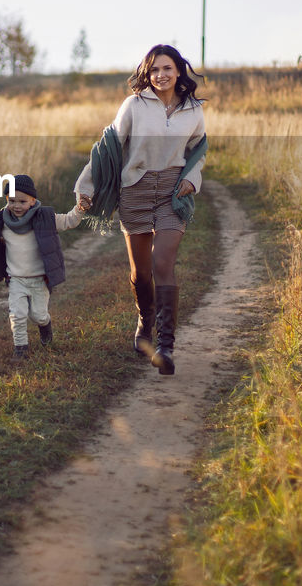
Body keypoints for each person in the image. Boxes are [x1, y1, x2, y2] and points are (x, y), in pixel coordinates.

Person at [75, 44, 207, 375]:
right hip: (135, 190)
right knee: (141, 272)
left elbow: (199, 148)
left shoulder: (193, 110)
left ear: (179, 71)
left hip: (171, 193)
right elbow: (108, 147)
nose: (160, 75)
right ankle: (145, 319)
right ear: (147, 74)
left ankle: (165, 345)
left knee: (163, 262)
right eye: (154, 70)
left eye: (167, 68)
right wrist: (86, 188)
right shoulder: (133, 105)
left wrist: (193, 177)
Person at [0, 174, 86, 359]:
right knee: (17, 315)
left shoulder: (45, 218)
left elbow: (69, 221)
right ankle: (21, 349)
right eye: (12, 201)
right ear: (6, 200)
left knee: (38, 316)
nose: (17, 206)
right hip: (16, 280)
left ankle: (45, 325)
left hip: (39, 280)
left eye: (22, 201)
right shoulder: (3, 223)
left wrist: (80, 209)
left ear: (32, 200)